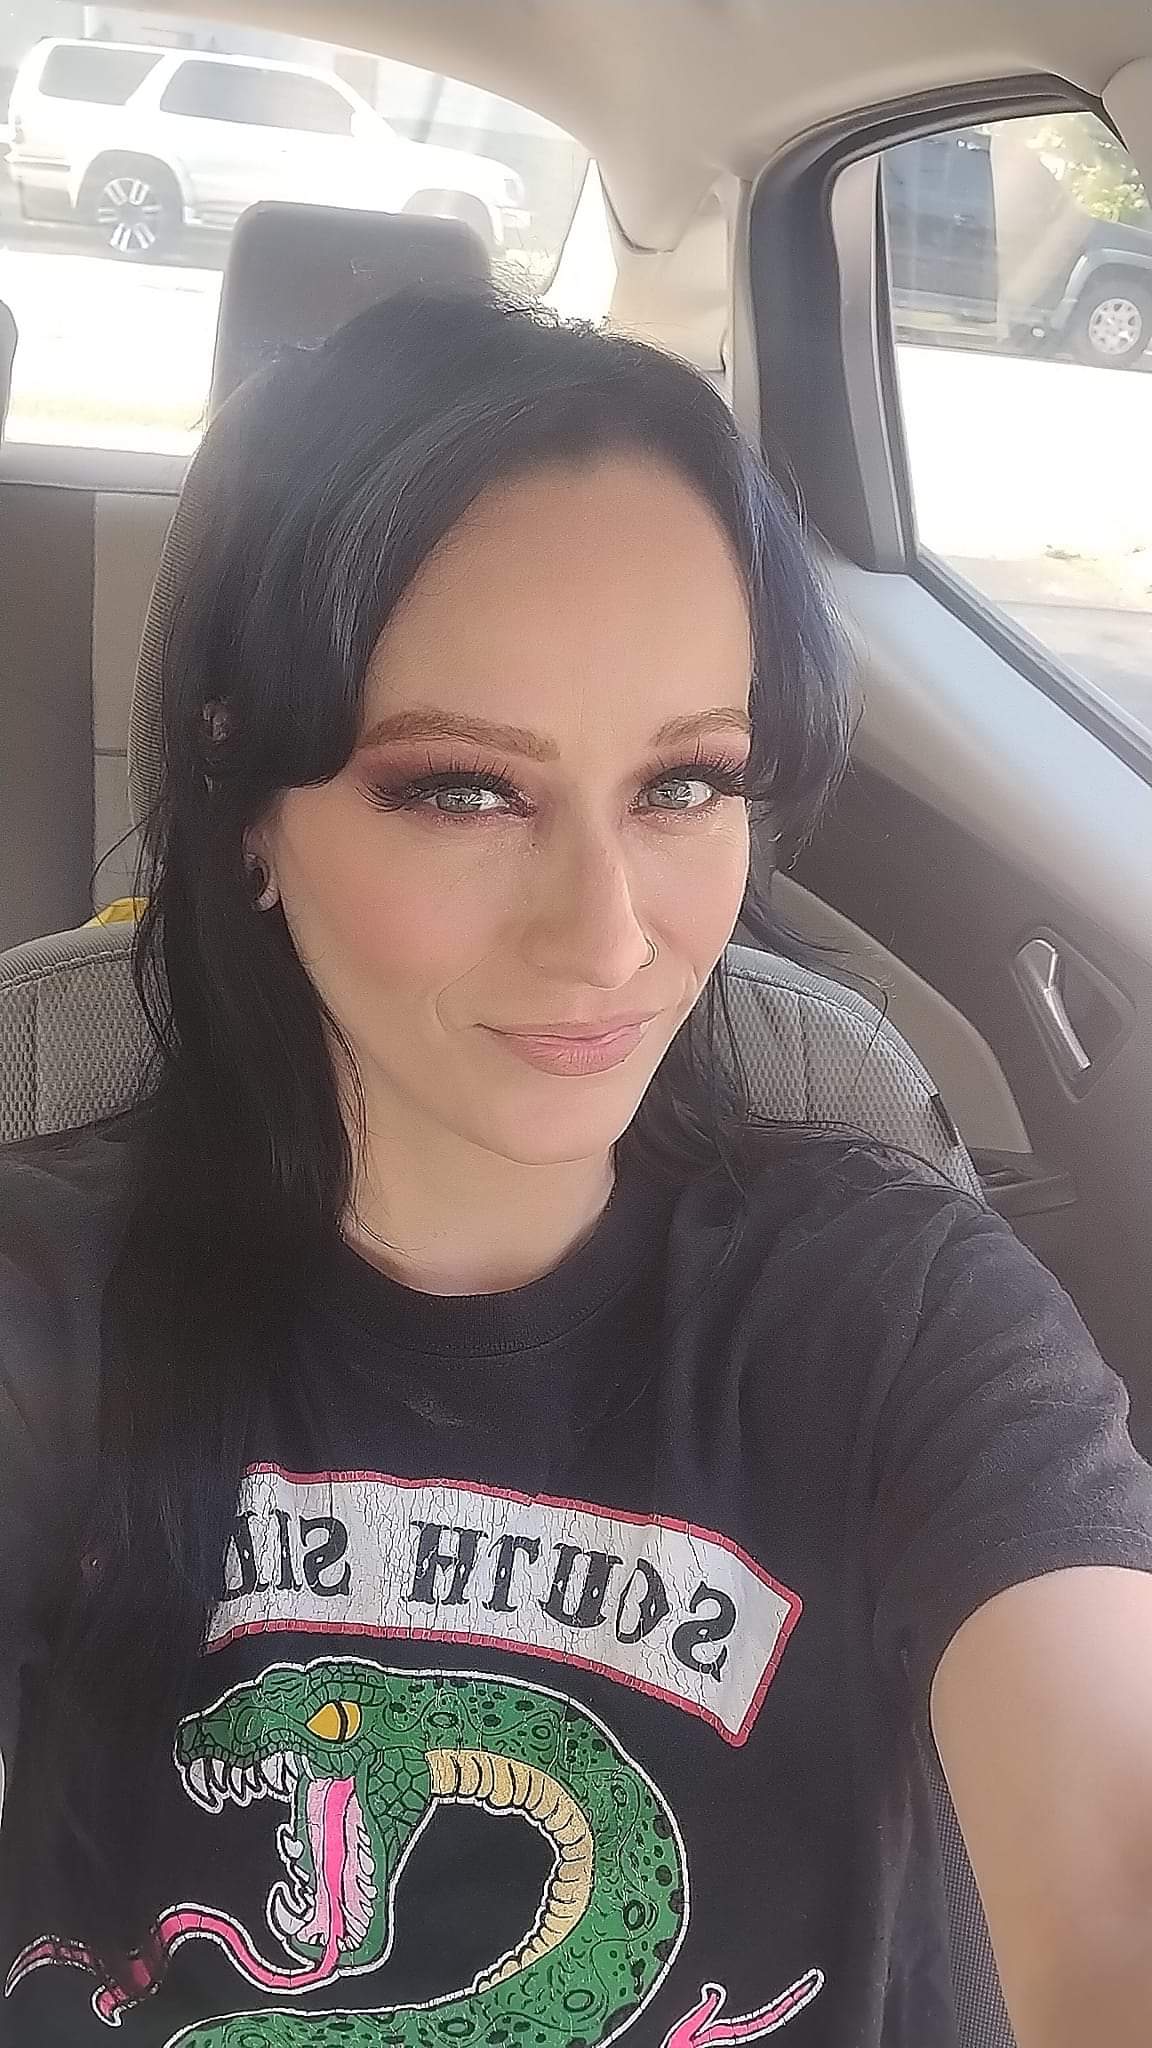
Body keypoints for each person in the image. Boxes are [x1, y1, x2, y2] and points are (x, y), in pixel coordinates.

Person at [1, 281, 1151, 2048]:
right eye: (464, 789)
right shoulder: (44, 1311)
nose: (611, 939)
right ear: (247, 808)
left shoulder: (898, 1315)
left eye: (684, 783)